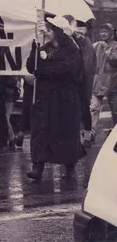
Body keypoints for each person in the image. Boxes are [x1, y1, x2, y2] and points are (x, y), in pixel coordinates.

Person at [25, 15, 86, 181]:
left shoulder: (72, 50)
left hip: (64, 99)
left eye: (50, 30)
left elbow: (63, 70)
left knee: (65, 132)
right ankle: (37, 167)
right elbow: (31, 67)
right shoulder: (43, 48)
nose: (47, 33)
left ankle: (69, 165)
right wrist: (34, 49)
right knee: (41, 131)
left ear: (58, 32)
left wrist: (42, 72)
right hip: (45, 98)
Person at [62, 15, 95, 144]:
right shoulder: (73, 42)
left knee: (83, 107)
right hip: (74, 81)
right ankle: (73, 134)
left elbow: (87, 66)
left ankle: (87, 133)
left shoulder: (87, 45)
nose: (78, 35)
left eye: (80, 33)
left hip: (83, 82)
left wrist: (75, 75)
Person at [90, 22, 117, 141]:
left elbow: (114, 60)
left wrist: (107, 49)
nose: (103, 34)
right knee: (94, 108)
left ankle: (115, 133)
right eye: (102, 31)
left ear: (111, 33)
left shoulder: (115, 45)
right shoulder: (96, 45)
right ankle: (91, 132)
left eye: (106, 31)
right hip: (98, 82)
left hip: (113, 83)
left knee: (115, 110)